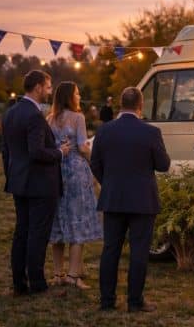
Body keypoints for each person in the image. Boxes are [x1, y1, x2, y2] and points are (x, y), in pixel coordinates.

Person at [91, 87, 170, 312]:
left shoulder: (104, 131)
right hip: (142, 200)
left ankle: (107, 301)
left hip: (113, 198)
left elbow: (94, 163)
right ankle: (135, 301)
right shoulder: (151, 132)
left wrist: (108, 183)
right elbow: (163, 165)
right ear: (140, 105)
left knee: (110, 250)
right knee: (139, 252)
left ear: (120, 104)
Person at [1, 70, 70, 296]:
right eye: (48, 87)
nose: (50, 92)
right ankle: (37, 283)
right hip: (40, 184)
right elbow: (36, 151)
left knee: (21, 232)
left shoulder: (10, 113)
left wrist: (12, 176)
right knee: (37, 234)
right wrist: (60, 152)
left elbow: (6, 151)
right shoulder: (34, 116)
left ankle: (19, 283)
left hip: (19, 182)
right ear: (38, 87)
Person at [47, 82, 102, 290]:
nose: (79, 97)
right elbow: (82, 146)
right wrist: (96, 160)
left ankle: (58, 273)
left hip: (56, 173)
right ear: (70, 97)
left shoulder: (49, 119)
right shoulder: (78, 118)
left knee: (59, 223)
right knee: (77, 222)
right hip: (76, 174)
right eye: (77, 94)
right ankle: (73, 275)